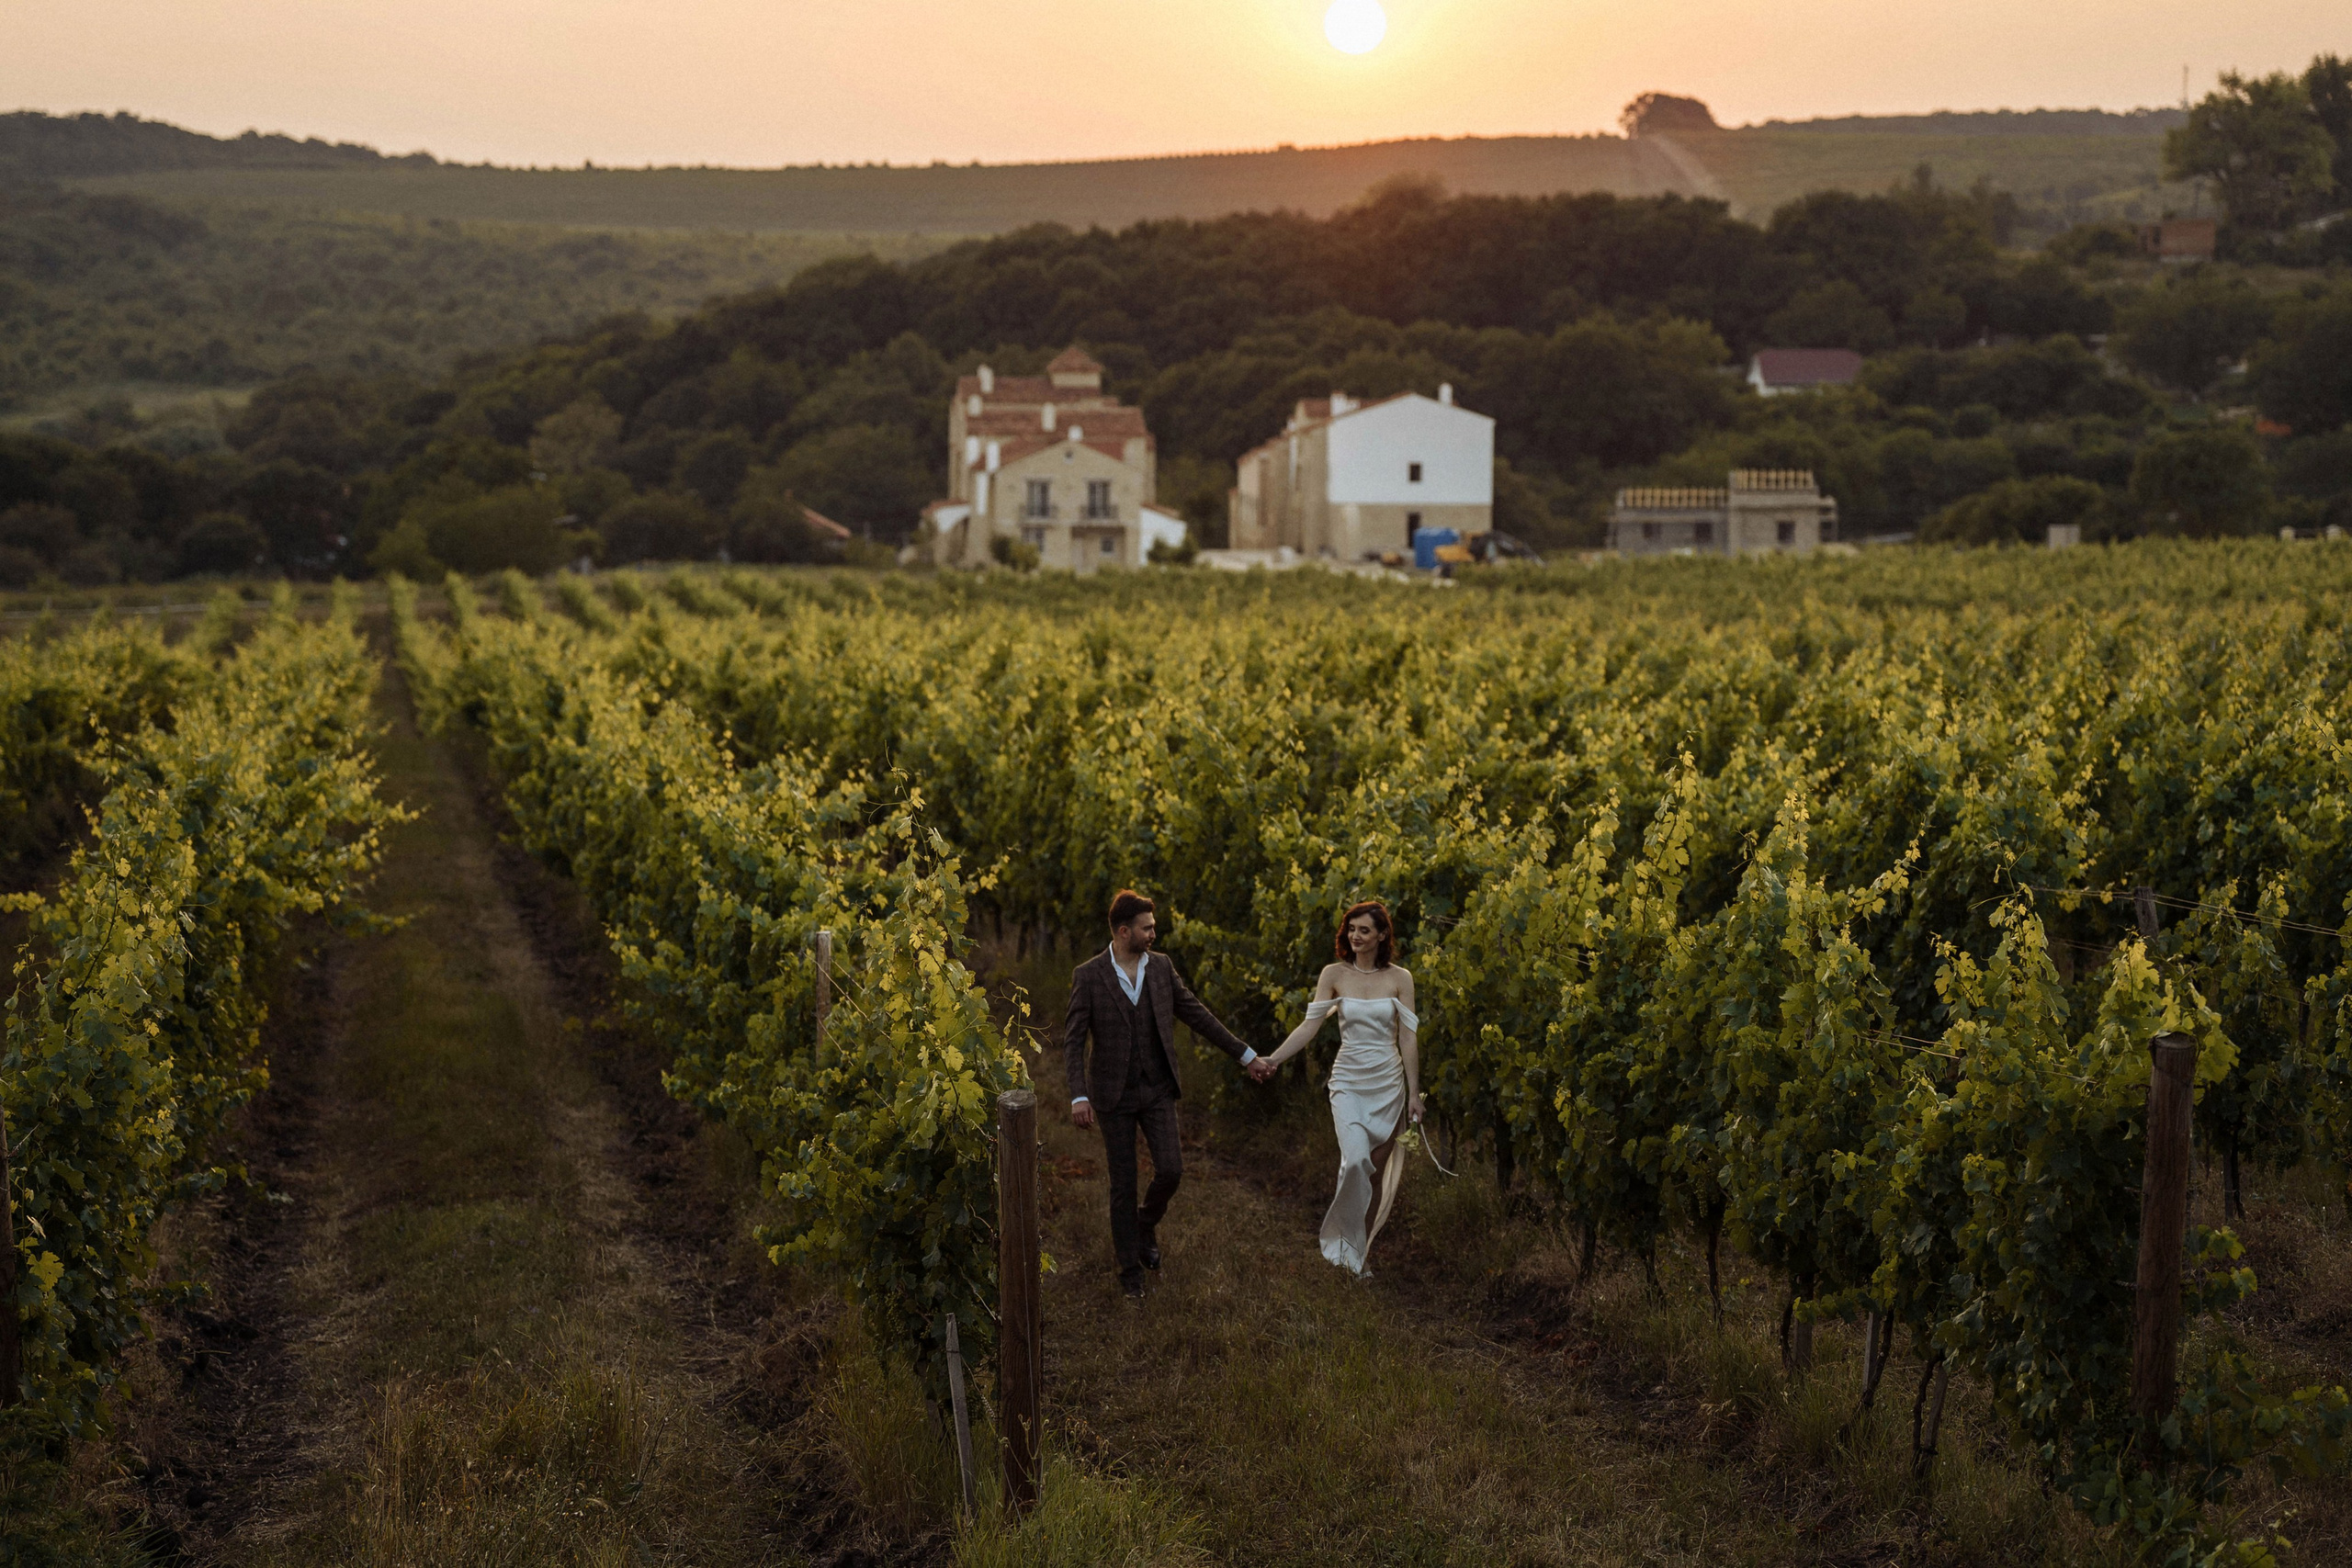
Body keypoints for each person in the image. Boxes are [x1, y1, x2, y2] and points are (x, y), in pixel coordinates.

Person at [1066, 889, 1262, 1299]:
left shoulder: (1161, 968)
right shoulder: (1089, 975)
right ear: (1124, 932)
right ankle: (1129, 1271)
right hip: (1112, 1095)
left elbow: (1196, 1014)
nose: (1154, 933)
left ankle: (1144, 1224)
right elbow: (1073, 1041)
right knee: (1123, 1184)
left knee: (1171, 1169)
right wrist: (1078, 1096)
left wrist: (1246, 1056)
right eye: (1147, 928)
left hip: (1156, 1088)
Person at [1250, 899, 1418, 1279]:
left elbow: (1408, 1037)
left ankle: (1359, 1256)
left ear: (1382, 935)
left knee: (1372, 1173)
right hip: (1348, 1081)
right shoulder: (1333, 974)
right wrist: (1273, 1060)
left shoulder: (1400, 979)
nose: (1355, 936)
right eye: (1351, 929)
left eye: (1364, 930)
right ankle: (1338, 1245)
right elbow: (1309, 1027)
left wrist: (1415, 1094)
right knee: (1356, 1160)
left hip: (1388, 1083)